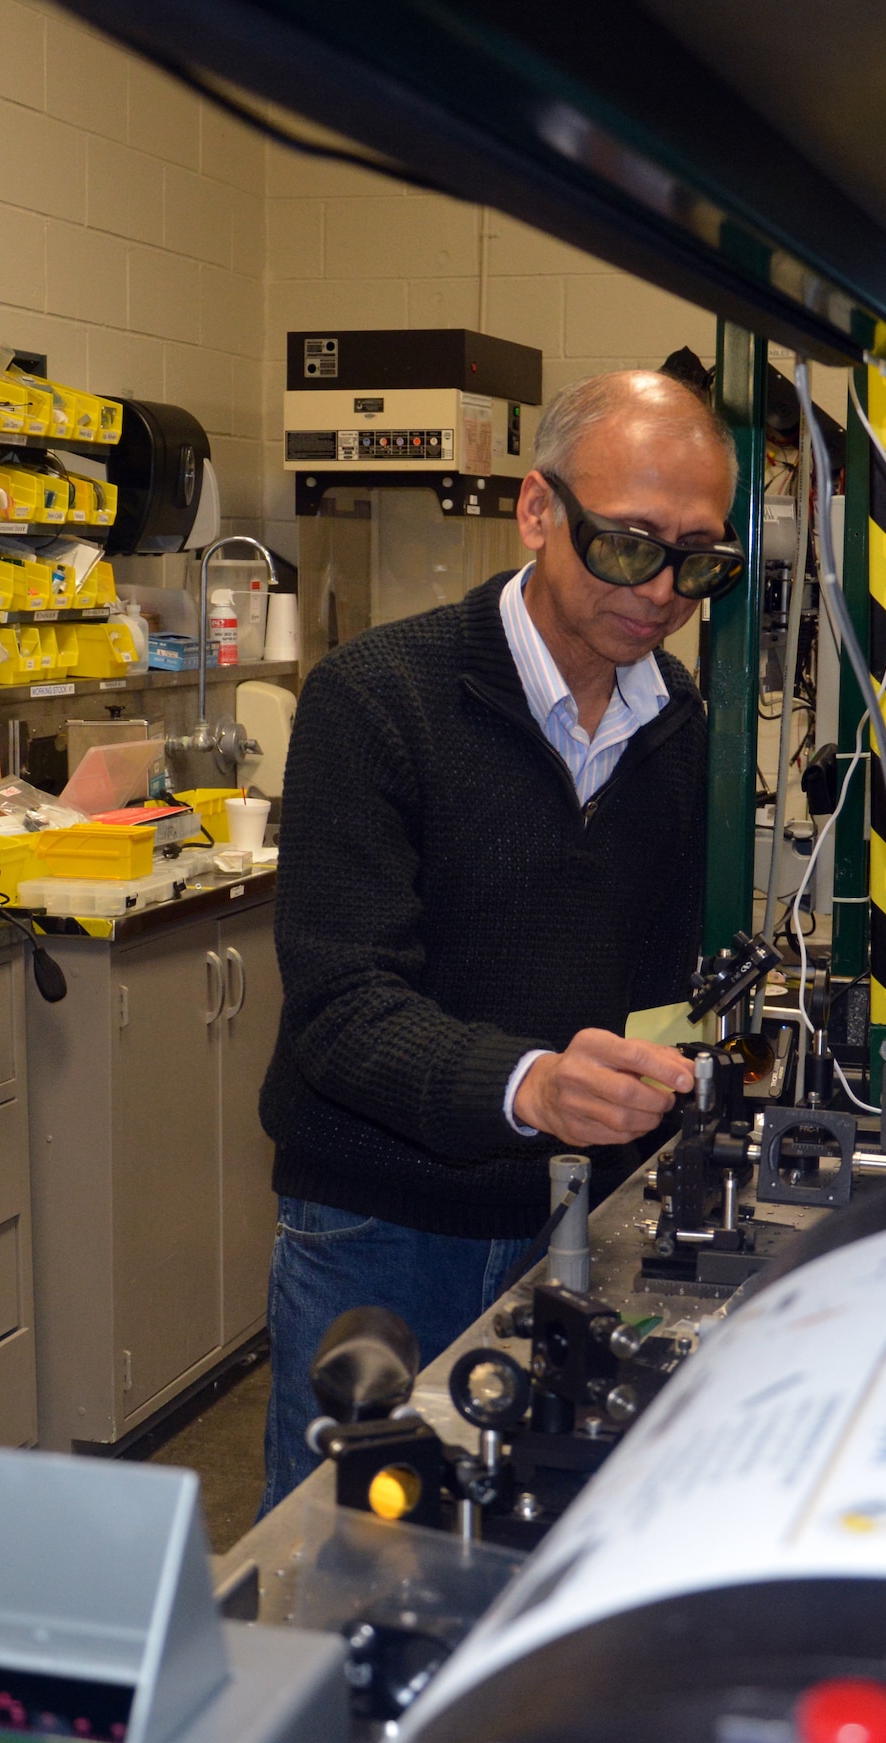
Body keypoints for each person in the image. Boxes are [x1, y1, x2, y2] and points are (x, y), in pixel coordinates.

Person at [255, 368, 744, 1509]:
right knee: (339, 1559)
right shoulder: (377, 699)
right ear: (536, 511)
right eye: (628, 545)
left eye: (699, 560)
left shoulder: (673, 722)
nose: (662, 590)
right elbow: (340, 1007)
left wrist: (664, 1103)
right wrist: (532, 1087)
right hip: (383, 1229)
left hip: (576, 1216)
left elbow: (656, 972)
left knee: (534, 1538)